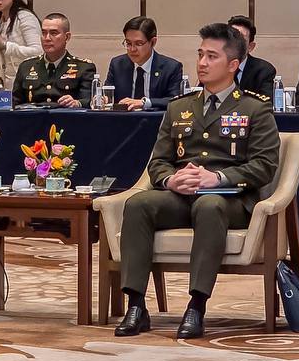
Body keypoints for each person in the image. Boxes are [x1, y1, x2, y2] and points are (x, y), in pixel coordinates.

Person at [115, 23, 280, 340]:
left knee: (209, 205)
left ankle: (196, 306)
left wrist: (217, 177)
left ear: (233, 65)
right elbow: (158, 161)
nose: (202, 63)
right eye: (200, 54)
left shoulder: (254, 108)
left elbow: (264, 166)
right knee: (138, 204)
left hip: (229, 199)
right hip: (182, 195)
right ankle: (135, 305)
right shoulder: (179, 106)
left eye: (212, 56)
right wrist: (171, 180)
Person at [12, 13, 98, 107]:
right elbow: (14, 102)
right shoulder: (26, 67)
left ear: (67, 37)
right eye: (44, 33)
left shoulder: (83, 68)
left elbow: (90, 101)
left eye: (53, 33)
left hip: (66, 115)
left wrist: (77, 103)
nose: (47, 38)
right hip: (33, 116)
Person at [105, 16, 185, 111]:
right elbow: (108, 94)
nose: (132, 49)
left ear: (153, 42)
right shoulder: (117, 65)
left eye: (138, 44)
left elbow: (175, 100)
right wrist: (102, 99)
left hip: (156, 120)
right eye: (128, 43)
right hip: (123, 119)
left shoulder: (171, 68)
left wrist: (145, 102)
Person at [229, 15, 277, 99]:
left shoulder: (264, 71)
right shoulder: (215, 67)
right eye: (231, 37)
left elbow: (265, 103)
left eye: (240, 39)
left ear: (250, 47)